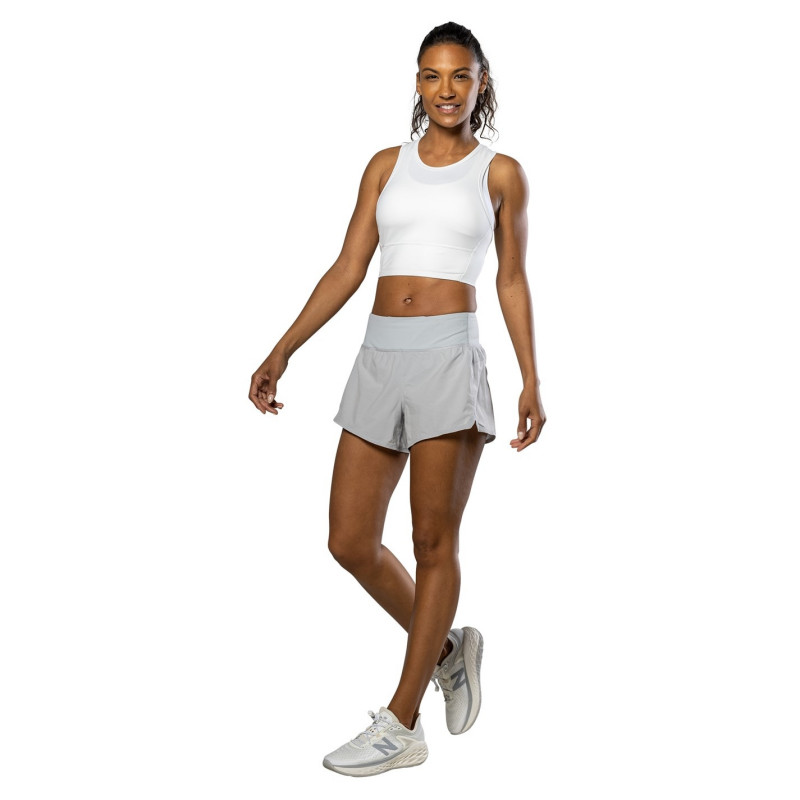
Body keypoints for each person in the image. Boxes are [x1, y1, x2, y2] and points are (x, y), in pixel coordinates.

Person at [248, 21, 545, 777]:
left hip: (448, 356)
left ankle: (403, 722)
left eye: (461, 76)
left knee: (432, 543)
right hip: (378, 356)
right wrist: (283, 348)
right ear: (417, 82)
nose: (447, 90)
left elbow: (511, 278)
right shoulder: (386, 166)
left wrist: (530, 378)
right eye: (433, 76)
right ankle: (447, 650)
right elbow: (349, 266)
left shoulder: (501, 173)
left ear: (481, 83)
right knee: (349, 540)